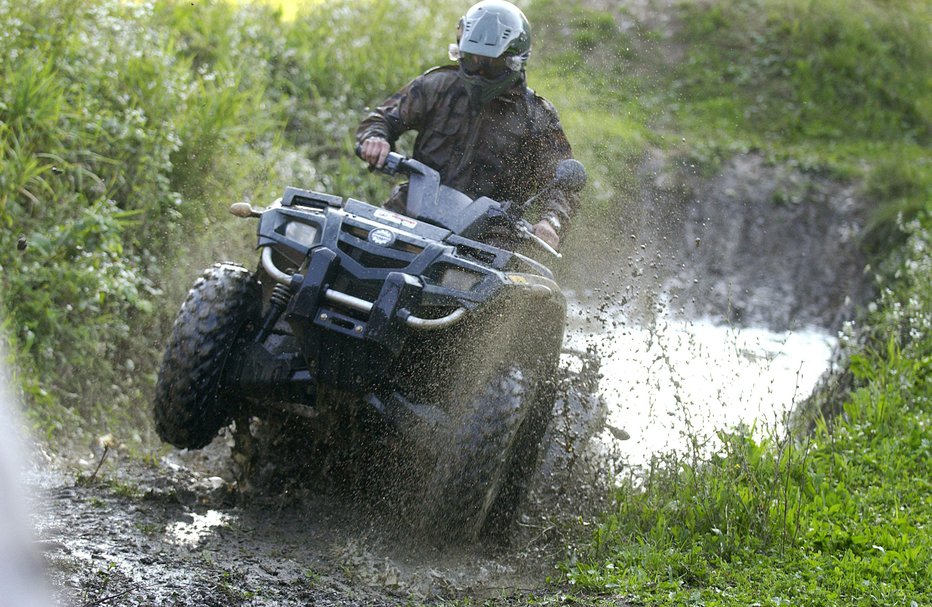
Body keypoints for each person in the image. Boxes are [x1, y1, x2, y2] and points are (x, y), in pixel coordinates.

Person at [356, 0, 579, 250]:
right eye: (472, 60)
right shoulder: (437, 86)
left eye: (490, 64)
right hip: (412, 212)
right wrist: (376, 138)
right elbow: (382, 119)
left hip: (489, 237)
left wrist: (550, 221)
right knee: (349, 248)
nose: (479, 72)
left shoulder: (536, 117)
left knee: (512, 283)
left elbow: (563, 184)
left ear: (514, 62)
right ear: (460, 52)